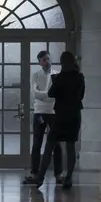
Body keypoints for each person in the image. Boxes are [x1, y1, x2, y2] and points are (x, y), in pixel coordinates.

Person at [28, 51, 84, 191]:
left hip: (59, 115)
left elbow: (51, 93)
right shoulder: (79, 77)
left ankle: (40, 177)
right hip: (74, 116)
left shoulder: (59, 77)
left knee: (49, 146)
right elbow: (81, 95)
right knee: (70, 147)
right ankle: (68, 178)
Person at [23, 51, 63, 185]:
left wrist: (44, 95)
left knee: (56, 144)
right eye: (44, 60)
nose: (47, 62)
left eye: (48, 59)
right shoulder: (35, 75)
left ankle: (59, 174)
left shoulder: (57, 75)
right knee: (37, 143)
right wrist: (48, 95)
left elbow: (56, 95)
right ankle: (34, 173)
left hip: (53, 112)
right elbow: (35, 94)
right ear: (40, 62)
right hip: (39, 112)